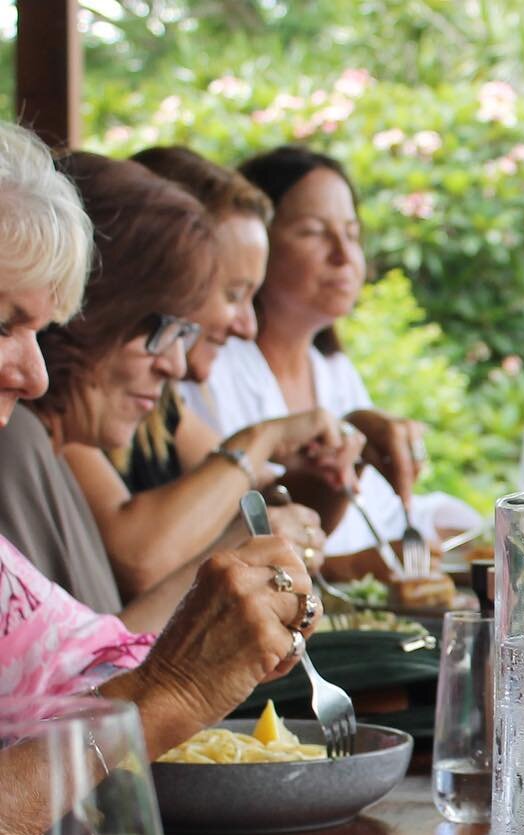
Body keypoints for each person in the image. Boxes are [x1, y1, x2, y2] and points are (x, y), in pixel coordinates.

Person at [0, 125, 316, 767]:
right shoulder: (20, 443)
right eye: (168, 327)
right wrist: (180, 680)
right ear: (100, 310)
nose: (183, 364)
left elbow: (86, 672)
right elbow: (67, 721)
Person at [56, 145, 343, 600]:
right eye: (233, 293)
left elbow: (269, 504)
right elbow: (142, 560)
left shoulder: (160, 405)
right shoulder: (69, 399)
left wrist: (341, 464)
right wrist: (260, 438)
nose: (248, 326)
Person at [185, 145, 479, 558]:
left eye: (352, 233)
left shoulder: (334, 371)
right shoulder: (207, 370)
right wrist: (356, 565)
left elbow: (385, 516)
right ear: (255, 242)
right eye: (313, 232)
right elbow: (240, 531)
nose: (344, 256)